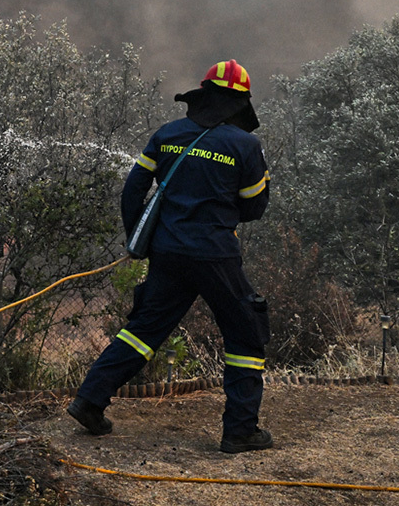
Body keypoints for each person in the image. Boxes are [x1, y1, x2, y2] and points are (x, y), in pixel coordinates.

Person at [68, 60, 272, 454]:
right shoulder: (245, 146)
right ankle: (240, 430)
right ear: (240, 102)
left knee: (144, 330)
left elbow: (132, 192)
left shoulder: (168, 134)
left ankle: (90, 401)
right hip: (215, 255)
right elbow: (253, 208)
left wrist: (139, 243)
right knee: (246, 332)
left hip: (168, 252)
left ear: (203, 94)